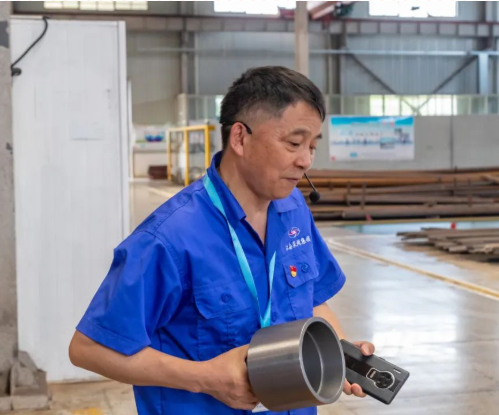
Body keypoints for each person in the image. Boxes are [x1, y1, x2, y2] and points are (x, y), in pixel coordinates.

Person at [68, 66, 375, 415]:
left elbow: (312, 299)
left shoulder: (293, 209)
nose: (305, 161)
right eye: (293, 143)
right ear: (240, 138)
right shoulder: (169, 238)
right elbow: (88, 349)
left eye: (312, 146)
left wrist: (339, 351)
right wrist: (203, 378)